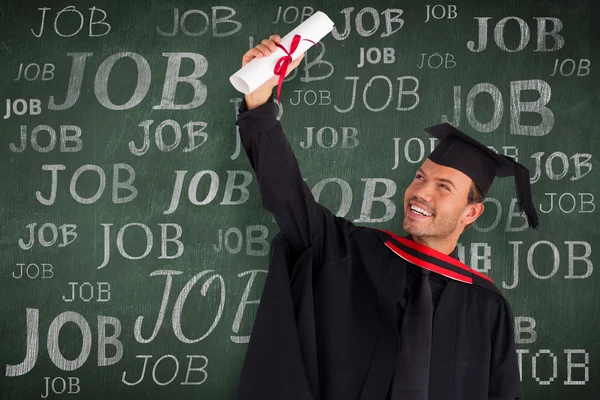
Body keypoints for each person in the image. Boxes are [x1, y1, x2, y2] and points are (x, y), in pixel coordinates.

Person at [234, 34, 537, 400]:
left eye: (443, 187)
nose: (421, 192)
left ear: (471, 212)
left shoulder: (488, 308)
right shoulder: (348, 253)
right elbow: (286, 195)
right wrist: (259, 102)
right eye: (420, 177)